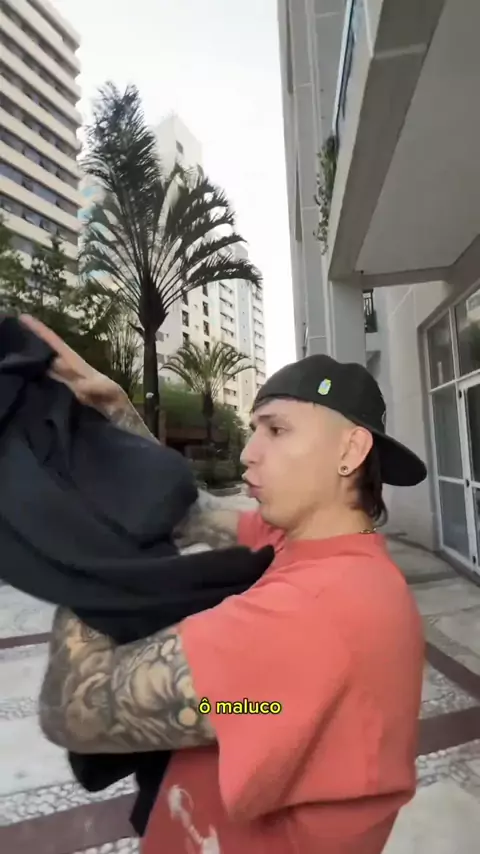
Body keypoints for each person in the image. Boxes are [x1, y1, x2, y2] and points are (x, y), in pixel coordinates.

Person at [23, 315, 426, 854]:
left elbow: (73, 711)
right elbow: (194, 513)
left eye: (276, 430)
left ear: (349, 452)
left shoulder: (312, 611)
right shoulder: (313, 547)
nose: (247, 453)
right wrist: (117, 412)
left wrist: (78, 550)